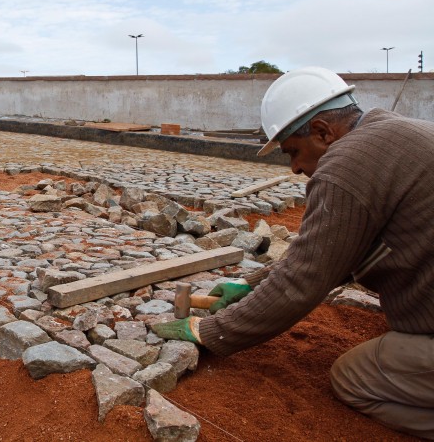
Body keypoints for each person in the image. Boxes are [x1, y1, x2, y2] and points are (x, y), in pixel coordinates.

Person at [153, 66, 434, 439]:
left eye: (294, 152)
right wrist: (251, 285)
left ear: (322, 131)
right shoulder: (401, 132)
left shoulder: (348, 163)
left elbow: (306, 278)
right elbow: (338, 253)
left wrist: (212, 331)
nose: (296, 168)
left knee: (351, 378)